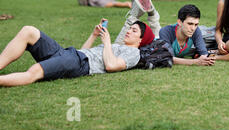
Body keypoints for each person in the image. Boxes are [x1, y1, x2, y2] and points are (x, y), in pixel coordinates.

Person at [0, 15, 155, 87]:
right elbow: (83, 51)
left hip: (78, 63)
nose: (128, 31)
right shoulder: (117, 46)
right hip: (71, 54)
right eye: (129, 28)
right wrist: (94, 35)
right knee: (29, 31)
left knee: (34, 72)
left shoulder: (134, 54)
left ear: (141, 40)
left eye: (134, 31)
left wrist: (107, 43)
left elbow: (111, 65)